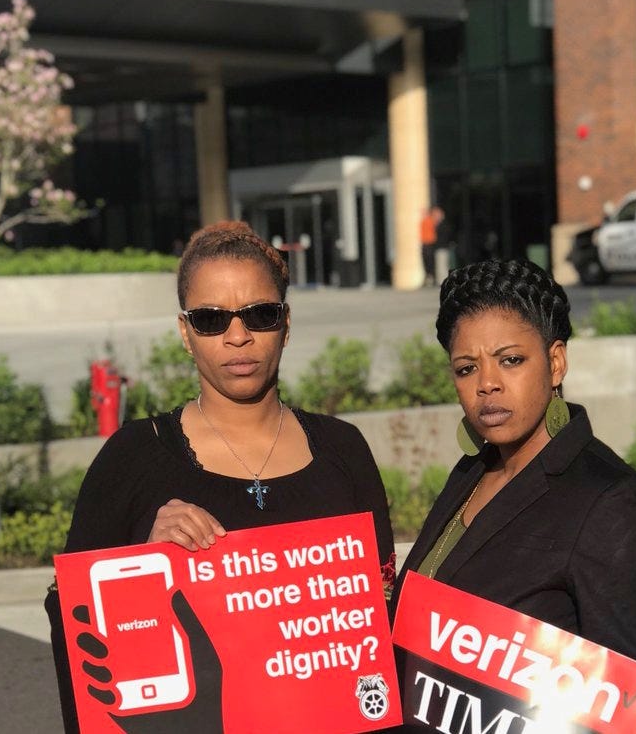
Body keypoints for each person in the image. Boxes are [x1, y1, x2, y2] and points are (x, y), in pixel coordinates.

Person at [46, 220, 396, 732]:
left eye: (261, 314)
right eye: (211, 319)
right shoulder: (133, 457)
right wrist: (141, 564)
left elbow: (381, 611)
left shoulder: (345, 450)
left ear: (287, 322)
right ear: (186, 333)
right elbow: (74, 618)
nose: (238, 336)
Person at [392, 258, 636, 677]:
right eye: (466, 368)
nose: (487, 383)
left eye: (510, 360)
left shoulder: (614, 506)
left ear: (556, 362)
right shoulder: (472, 473)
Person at [419, 207, 438, 285]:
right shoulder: (423, 221)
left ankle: (431, 277)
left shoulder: (430, 221)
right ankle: (428, 277)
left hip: (429, 243)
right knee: (425, 261)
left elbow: (433, 233)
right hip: (424, 243)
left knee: (430, 262)